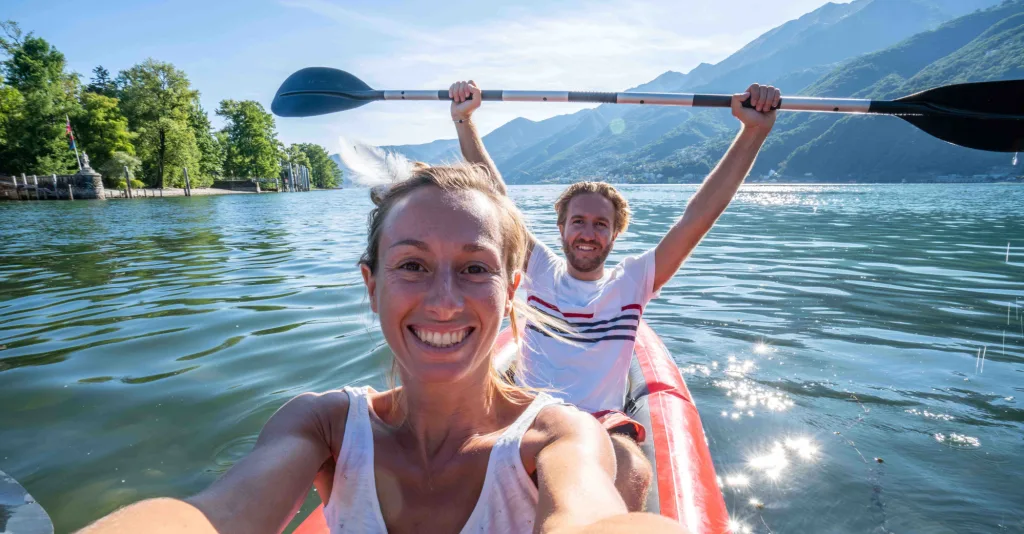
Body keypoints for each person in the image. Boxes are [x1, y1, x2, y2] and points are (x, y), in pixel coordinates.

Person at [80, 164, 687, 534]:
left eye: (475, 268)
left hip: (591, 415)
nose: (444, 300)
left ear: (512, 296)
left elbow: (587, 519)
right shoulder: (321, 425)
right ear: (372, 287)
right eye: (412, 265)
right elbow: (220, 516)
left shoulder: (562, 439)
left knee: (628, 466)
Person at [447, 79, 781, 511]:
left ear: (615, 233)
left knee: (631, 466)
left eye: (600, 224)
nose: (588, 233)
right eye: (579, 221)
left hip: (602, 424)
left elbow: (699, 215)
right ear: (562, 228)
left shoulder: (633, 281)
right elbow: (496, 196)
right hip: (530, 415)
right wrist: (464, 120)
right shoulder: (540, 270)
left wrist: (752, 133)